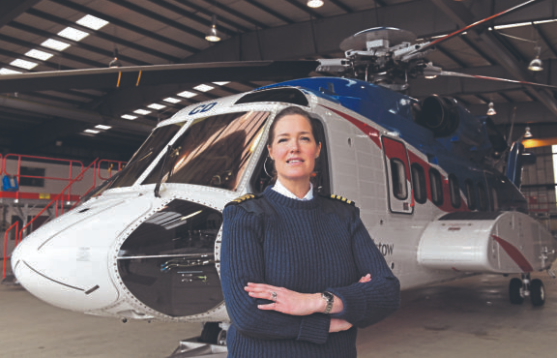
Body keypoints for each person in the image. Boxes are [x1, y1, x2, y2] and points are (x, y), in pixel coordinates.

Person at [220, 106, 400, 357]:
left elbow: (387, 291)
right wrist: (329, 322)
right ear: (271, 151)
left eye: (304, 138)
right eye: (283, 140)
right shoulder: (245, 215)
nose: (294, 147)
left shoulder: (343, 216)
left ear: (317, 148)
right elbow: (247, 314)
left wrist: (316, 302)